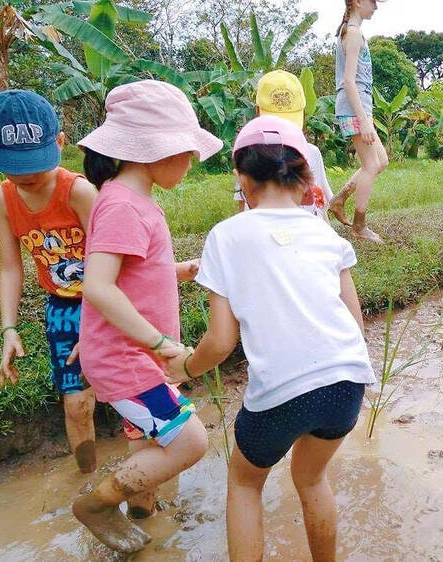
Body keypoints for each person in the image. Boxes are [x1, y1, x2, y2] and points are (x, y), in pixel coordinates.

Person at [164, 115, 376, 561]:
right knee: (313, 478)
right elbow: (355, 324)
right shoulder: (323, 232)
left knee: (244, 481)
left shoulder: (225, 236)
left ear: (241, 177)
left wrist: (182, 368)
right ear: (303, 174)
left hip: (282, 393)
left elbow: (220, 343)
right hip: (347, 382)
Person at [70, 80, 222, 553]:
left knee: (149, 449)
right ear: (152, 150)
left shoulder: (132, 199)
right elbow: (97, 286)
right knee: (190, 441)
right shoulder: (121, 204)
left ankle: (141, 520)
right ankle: (96, 505)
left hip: (134, 355)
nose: (192, 160)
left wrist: (174, 270)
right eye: (186, 150)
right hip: (128, 359)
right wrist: (160, 343)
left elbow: (128, 272)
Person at [0, 90, 99, 474]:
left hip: (107, 301)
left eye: (34, 165)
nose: (25, 177)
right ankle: (89, 483)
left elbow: (113, 262)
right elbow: (10, 268)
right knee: (76, 403)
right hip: (62, 310)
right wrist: (8, 328)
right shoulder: (1, 200)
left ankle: (148, 488)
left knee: (131, 393)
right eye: (13, 168)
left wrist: (100, 323)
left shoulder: (79, 192)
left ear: (59, 142)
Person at [235, 70, 333, 222]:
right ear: (257, 111)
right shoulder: (249, 157)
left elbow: (320, 205)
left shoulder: (312, 153)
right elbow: (243, 212)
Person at [327, 0, 389, 243]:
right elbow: (349, 81)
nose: (376, 6)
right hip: (355, 109)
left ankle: (339, 199)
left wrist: (367, 116)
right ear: (358, 1)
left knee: (381, 161)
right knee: (371, 165)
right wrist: (363, 121)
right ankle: (359, 226)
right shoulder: (352, 34)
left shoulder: (353, 32)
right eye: (373, 1)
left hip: (360, 107)